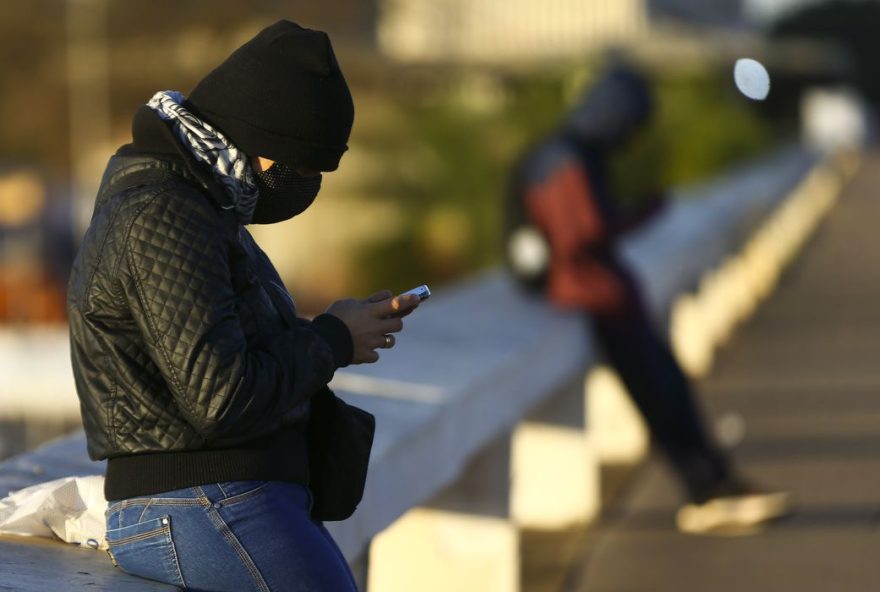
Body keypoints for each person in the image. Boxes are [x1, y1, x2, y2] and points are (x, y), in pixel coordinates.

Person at [67, 20, 418, 591]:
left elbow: (220, 358)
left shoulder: (205, 205)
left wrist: (341, 331)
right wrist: (330, 338)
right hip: (195, 499)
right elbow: (222, 398)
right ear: (261, 147)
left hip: (223, 498)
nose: (307, 185)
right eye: (304, 168)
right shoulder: (164, 214)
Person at [504, 63, 790, 534]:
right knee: (660, 394)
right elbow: (582, 232)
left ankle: (716, 481)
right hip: (593, 296)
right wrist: (643, 213)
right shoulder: (562, 157)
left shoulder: (568, 150)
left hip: (601, 294)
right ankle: (706, 490)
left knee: (669, 387)